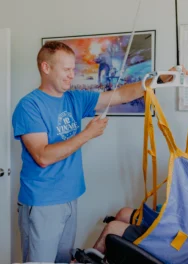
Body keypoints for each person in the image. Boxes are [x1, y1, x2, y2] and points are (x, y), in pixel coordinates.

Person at [12, 41, 176, 263]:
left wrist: (159, 79)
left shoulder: (74, 98)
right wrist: (87, 134)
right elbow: (43, 156)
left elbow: (120, 95)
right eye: (67, 69)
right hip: (42, 202)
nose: (72, 75)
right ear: (46, 68)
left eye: (74, 69)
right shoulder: (29, 106)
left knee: (62, 260)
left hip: (70, 197)